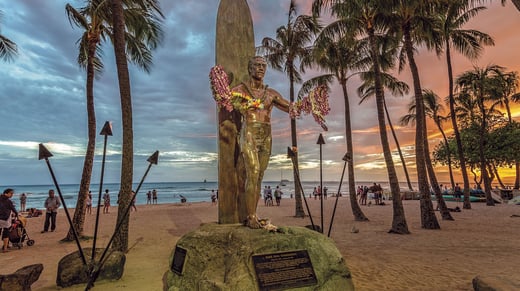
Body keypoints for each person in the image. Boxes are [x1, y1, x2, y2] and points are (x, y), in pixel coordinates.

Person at [231, 56, 290, 228]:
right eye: (257, 65)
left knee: (259, 177)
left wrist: (309, 104)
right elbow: (227, 102)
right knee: (254, 172)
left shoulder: (271, 93)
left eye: (263, 66)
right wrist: (243, 107)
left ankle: (254, 214)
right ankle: (250, 216)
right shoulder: (241, 90)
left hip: (266, 134)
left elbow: (289, 107)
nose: (261, 68)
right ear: (250, 69)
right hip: (249, 131)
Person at [1, 188, 18, 252]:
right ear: (6, 193)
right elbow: (13, 209)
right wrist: (16, 214)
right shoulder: (8, 201)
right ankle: (5, 248)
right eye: (11, 193)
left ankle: (6, 246)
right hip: (5, 219)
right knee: (6, 233)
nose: (12, 195)